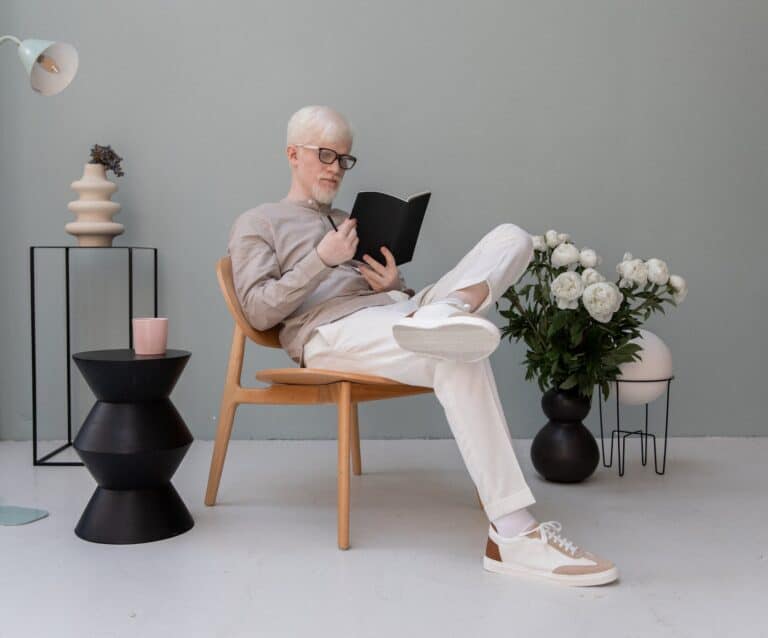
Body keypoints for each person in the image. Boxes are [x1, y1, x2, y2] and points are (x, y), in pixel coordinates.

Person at [227, 105, 619, 587]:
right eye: (325, 154)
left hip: (392, 313)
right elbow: (258, 312)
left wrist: (396, 286)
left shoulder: (346, 220)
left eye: (344, 159)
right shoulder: (257, 222)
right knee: (457, 352)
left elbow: (386, 295)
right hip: (328, 334)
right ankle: (515, 533)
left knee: (512, 239)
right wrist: (320, 260)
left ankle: (446, 309)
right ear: (292, 153)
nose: (335, 167)